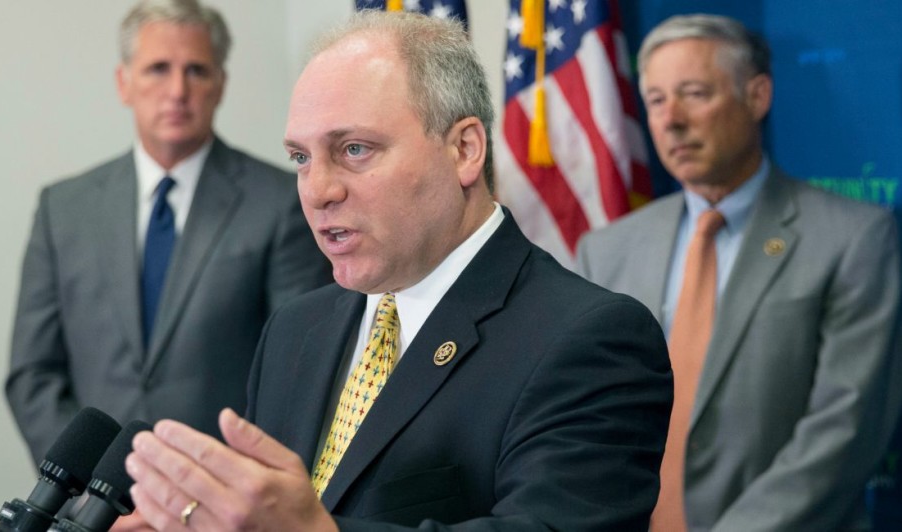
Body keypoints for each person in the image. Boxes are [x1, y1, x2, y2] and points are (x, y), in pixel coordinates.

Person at [124, 10, 673, 531]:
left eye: (355, 149)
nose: (318, 191)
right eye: (301, 158)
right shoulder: (295, 330)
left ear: (464, 150)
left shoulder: (591, 338)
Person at [577, 14, 902, 532]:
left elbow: (847, 427)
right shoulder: (607, 250)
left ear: (757, 96)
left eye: (693, 93)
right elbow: (585, 419)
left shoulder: (852, 237)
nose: (671, 119)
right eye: (657, 100)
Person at [6, 0, 330, 466]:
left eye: (196, 70)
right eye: (158, 69)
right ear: (124, 83)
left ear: (220, 84)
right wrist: (89, 482)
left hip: (224, 499)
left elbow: (297, 371)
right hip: (92, 506)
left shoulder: (281, 203)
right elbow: (33, 375)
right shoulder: (63, 209)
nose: (177, 90)